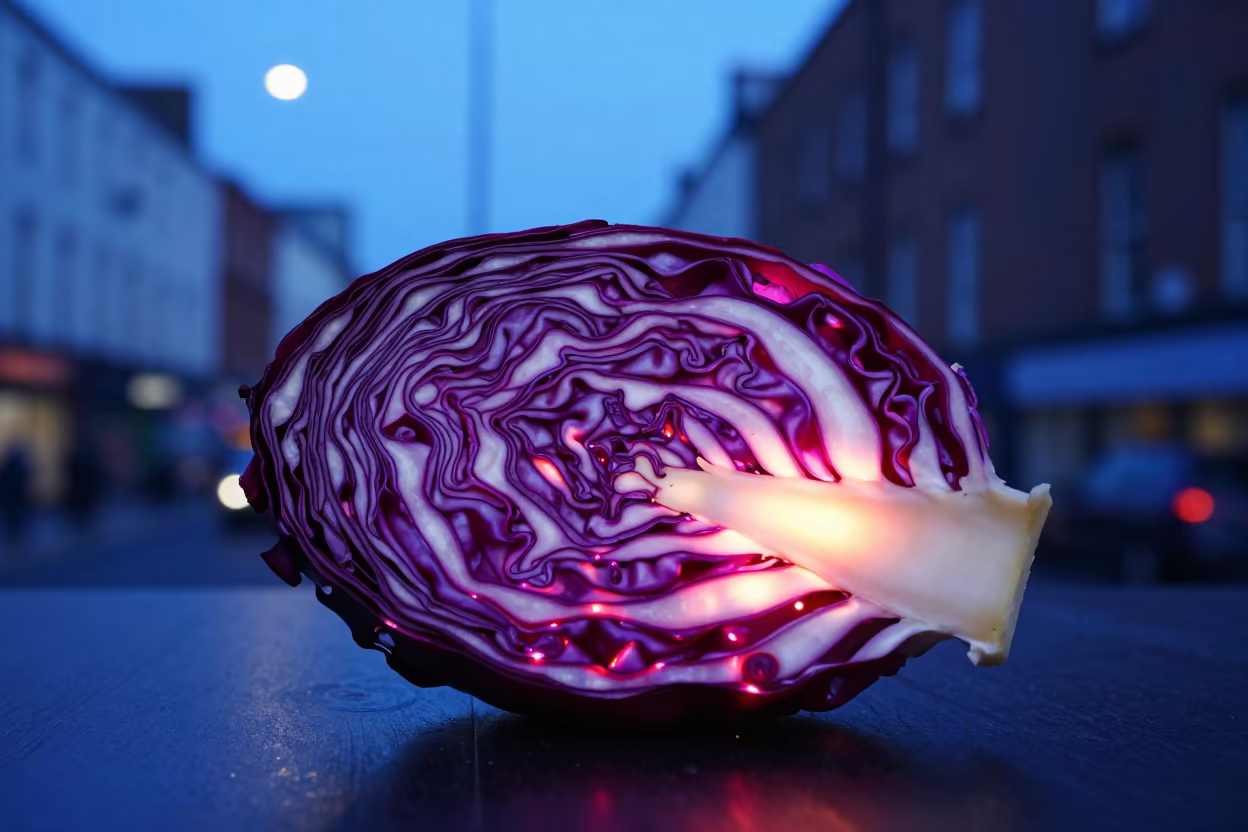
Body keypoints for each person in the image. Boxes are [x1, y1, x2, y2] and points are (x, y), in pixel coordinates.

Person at [0, 444, 34, 544]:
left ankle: (14, 535)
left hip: (11, 499)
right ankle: (15, 535)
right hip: (15, 499)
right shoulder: (20, 469)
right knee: (15, 518)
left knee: (12, 518)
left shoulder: (7, 468)